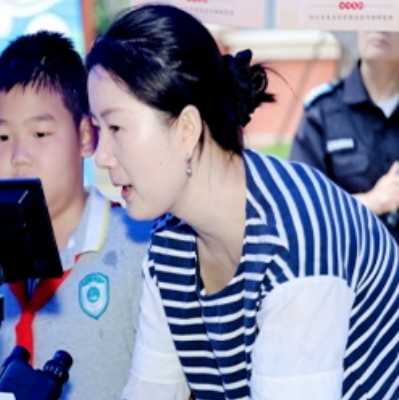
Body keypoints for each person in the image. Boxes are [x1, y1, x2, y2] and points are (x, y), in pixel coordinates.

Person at [86, 4, 399, 400]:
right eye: (97, 128)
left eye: (115, 127)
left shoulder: (296, 242)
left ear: (186, 129)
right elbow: (151, 392)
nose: (101, 155)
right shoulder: (169, 243)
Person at [0, 31, 151, 399]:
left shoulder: (138, 247)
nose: (19, 157)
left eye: (40, 134)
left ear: (86, 136)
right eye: (2, 137)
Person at [290, 31, 399, 242]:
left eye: (392, 18)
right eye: (370, 15)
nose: (379, 26)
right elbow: (299, 206)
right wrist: (371, 202)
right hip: (346, 258)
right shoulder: (323, 111)